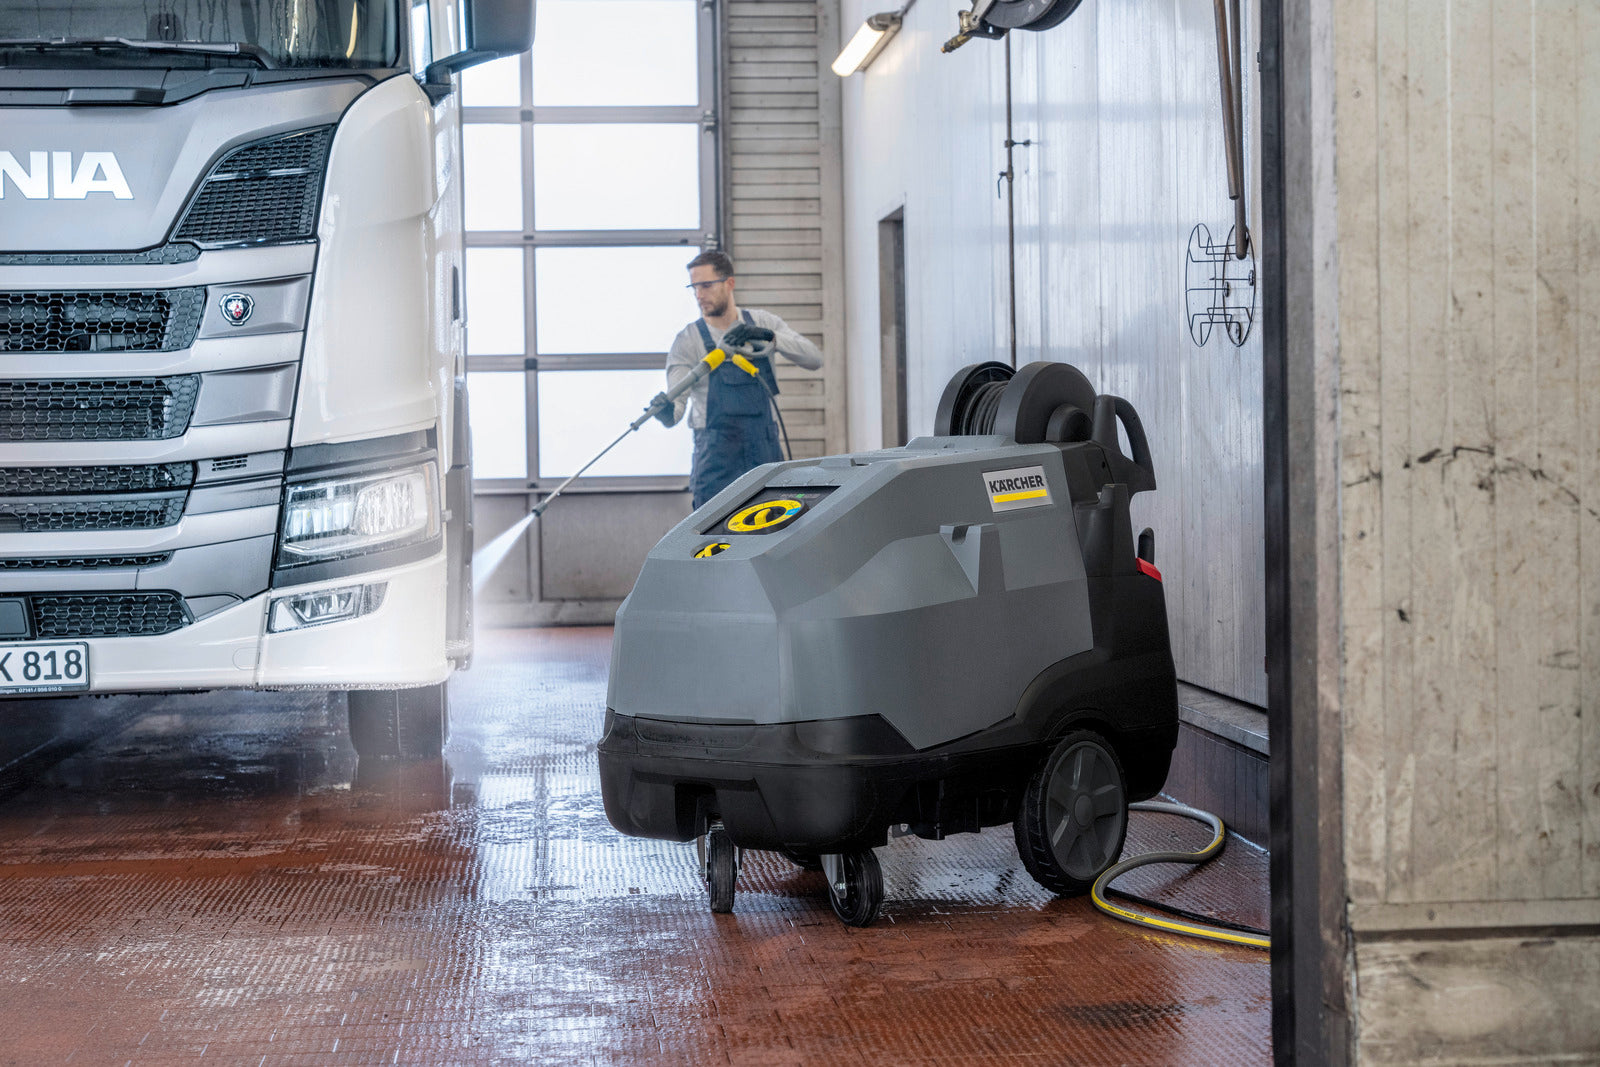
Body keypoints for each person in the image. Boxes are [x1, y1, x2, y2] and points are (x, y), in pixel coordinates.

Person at [654, 251, 822, 508]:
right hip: (715, 461)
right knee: (713, 531)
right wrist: (666, 413)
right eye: (694, 287)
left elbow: (814, 358)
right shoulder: (688, 341)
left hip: (764, 455)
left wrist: (769, 336)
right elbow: (675, 411)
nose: (699, 295)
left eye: (706, 285)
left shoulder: (762, 322)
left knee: (773, 526)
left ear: (729, 283)